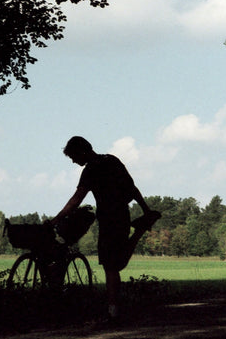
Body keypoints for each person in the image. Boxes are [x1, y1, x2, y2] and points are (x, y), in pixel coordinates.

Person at [51, 136, 160, 322]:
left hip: (108, 219)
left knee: (111, 266)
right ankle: (139, 230)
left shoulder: (90, 170)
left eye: (73, 156)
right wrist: (146, 210)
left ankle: (113, 313)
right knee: (116, 264)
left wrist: (57, 218)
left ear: (82, 151)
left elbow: (77, 199)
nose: (73, 161)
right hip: (122, 215)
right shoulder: (112, 160)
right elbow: (132, 189)